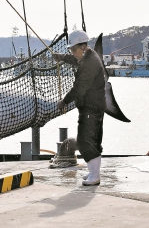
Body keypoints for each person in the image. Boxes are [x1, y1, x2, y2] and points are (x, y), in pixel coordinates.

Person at [53, 30, 106, 186]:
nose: (72, 52)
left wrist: (64, 101)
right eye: (70, 50)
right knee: (92, 141)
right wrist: (62, 57)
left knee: (85, 141)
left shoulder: (90, 63)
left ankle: (95, 175)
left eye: (73, 49)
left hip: (91, 108)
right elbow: (76, 60)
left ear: (83, 47)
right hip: (92, 108)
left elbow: (79, 89)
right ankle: (93, 172)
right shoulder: (87, 57)